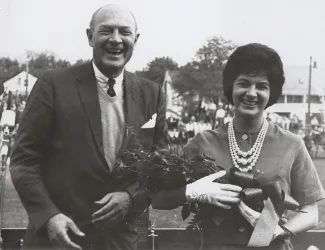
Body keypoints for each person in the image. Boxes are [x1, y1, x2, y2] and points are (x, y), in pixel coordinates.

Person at [10, 4, 168, 250]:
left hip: (119, 242)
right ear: (90, 36)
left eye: (124, 32)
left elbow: (161, 166)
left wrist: (131, 198)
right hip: (59, 240)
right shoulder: (52, 84)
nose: (115, 39)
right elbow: (23, 161)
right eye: (106, 30)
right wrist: (49, 216)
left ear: (135, 39)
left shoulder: (152, 93)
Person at [151, 43, 325, 250]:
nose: (251, 93)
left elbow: (312, 212)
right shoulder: (203, 142)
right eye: (244, 83)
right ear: (231, 87)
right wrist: (190, 192)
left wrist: (277, 231)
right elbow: (157, 199)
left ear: (272, 92)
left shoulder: (291, 144)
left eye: (261, 86)